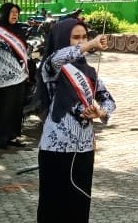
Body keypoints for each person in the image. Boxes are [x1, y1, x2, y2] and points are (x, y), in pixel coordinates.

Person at [36, 18, 116, 223]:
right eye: (75, 38)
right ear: (63, 38)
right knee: (53, 207)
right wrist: (91, 44)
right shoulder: (53, 67)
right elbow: (59, 58)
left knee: (79, 204)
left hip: (84, 148)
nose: (81, 41)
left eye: (84, 37)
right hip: (56, 148)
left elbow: (108, 100)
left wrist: (100, 112)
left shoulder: (89, 72)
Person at [0, 2, 29, 149]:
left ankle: (12, 136)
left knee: (16, 109)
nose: (15, 15)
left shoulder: (19, 30)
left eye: (17, 12)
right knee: (2, 108)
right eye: (12, 12)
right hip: (2, 77)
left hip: (19, 76)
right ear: (5, 14)